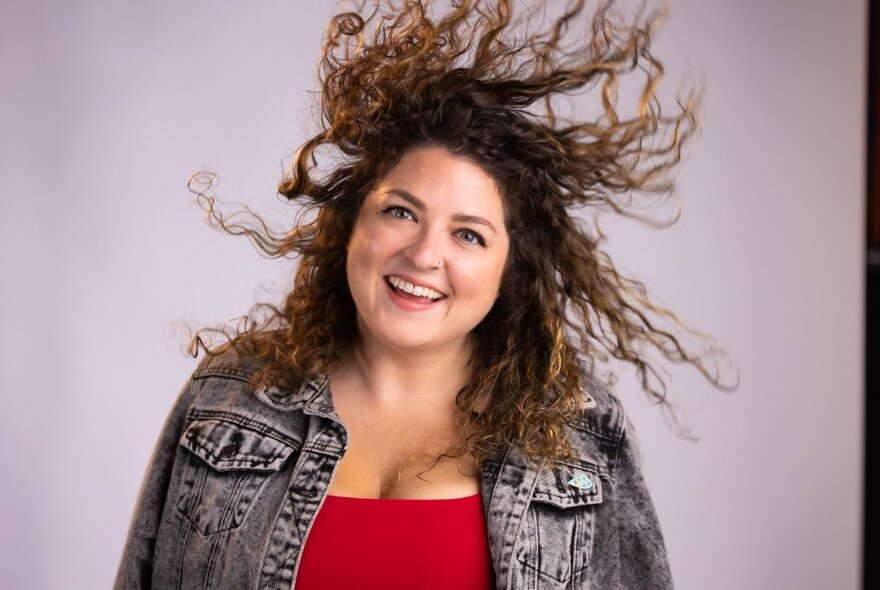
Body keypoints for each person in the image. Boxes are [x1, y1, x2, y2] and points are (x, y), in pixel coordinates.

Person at [115, 0, 730, 588]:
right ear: (351, 223)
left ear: (508, 269)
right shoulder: (231, 394)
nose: (425, 254)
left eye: (469, 234)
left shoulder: (576, 433)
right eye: (402, 213)